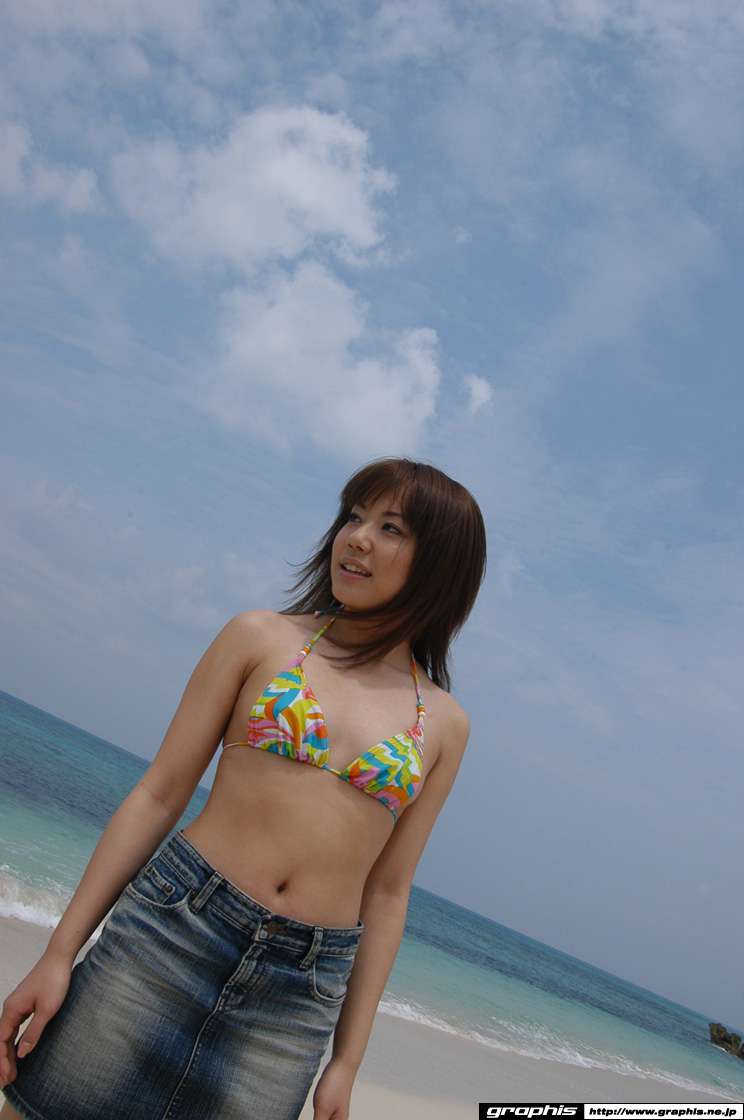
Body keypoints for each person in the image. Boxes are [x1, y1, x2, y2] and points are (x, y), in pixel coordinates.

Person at [0, 455, 486, 1120]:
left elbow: (388, 892)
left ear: (440, 565)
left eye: (391, 528)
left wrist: (347, 1062)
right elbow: (159, 795)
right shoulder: (260, 638)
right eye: (353, 517)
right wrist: (59, 953)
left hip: (300, 992)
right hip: (175, 928)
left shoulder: (446, 725)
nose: (357, 538)